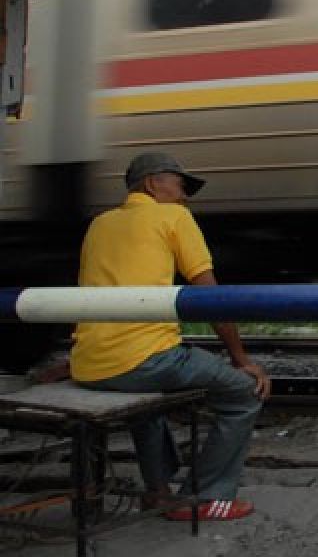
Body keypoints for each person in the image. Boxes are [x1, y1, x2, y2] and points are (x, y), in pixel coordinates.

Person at [69, 152, 271, 521]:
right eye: (179, 185)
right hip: (144, 359)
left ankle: (159, 492)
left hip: (90, 364)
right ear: (152, 184)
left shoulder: (99, 223)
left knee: (145, 395)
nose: (184, 196)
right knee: (243, 394)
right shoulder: (174, 216)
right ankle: (204, 498)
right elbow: (212, 299)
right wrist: (242, 360)